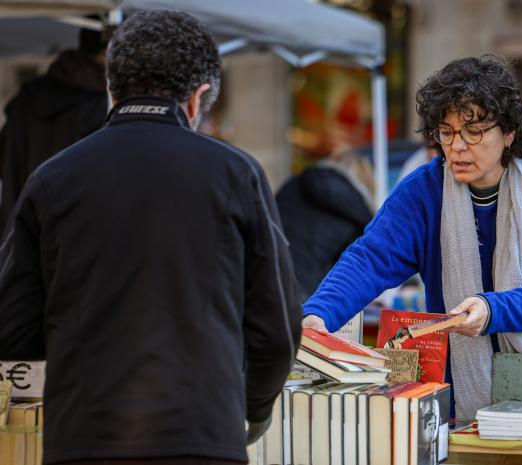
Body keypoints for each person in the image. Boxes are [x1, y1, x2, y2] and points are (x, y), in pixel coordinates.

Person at [0, 10, 300, 464]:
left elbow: (13, 327)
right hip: (203, 438)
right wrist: (253, 409)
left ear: (110, 90)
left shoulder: (52, 180)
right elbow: (275, 332)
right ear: (198, 100)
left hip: (83, 439)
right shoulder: (237, 175)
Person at [303, 55, 522, 418]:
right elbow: (370, 258)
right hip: (466, 390)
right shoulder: (422, 190)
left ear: (509, 133)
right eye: (446, 132)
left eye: (473, 131)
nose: (457, 146)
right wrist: (319, 314)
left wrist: (493, 308)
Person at [0, 23, 109, 233]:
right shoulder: (101, 105)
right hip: (74, 234)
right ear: (106, 53)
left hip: (23, 228)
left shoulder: (28, 97)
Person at [277, 147, 375, 301]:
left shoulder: (294, 183)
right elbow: (350, 272)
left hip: (270, 278)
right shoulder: (358, 210)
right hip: (311, 294)